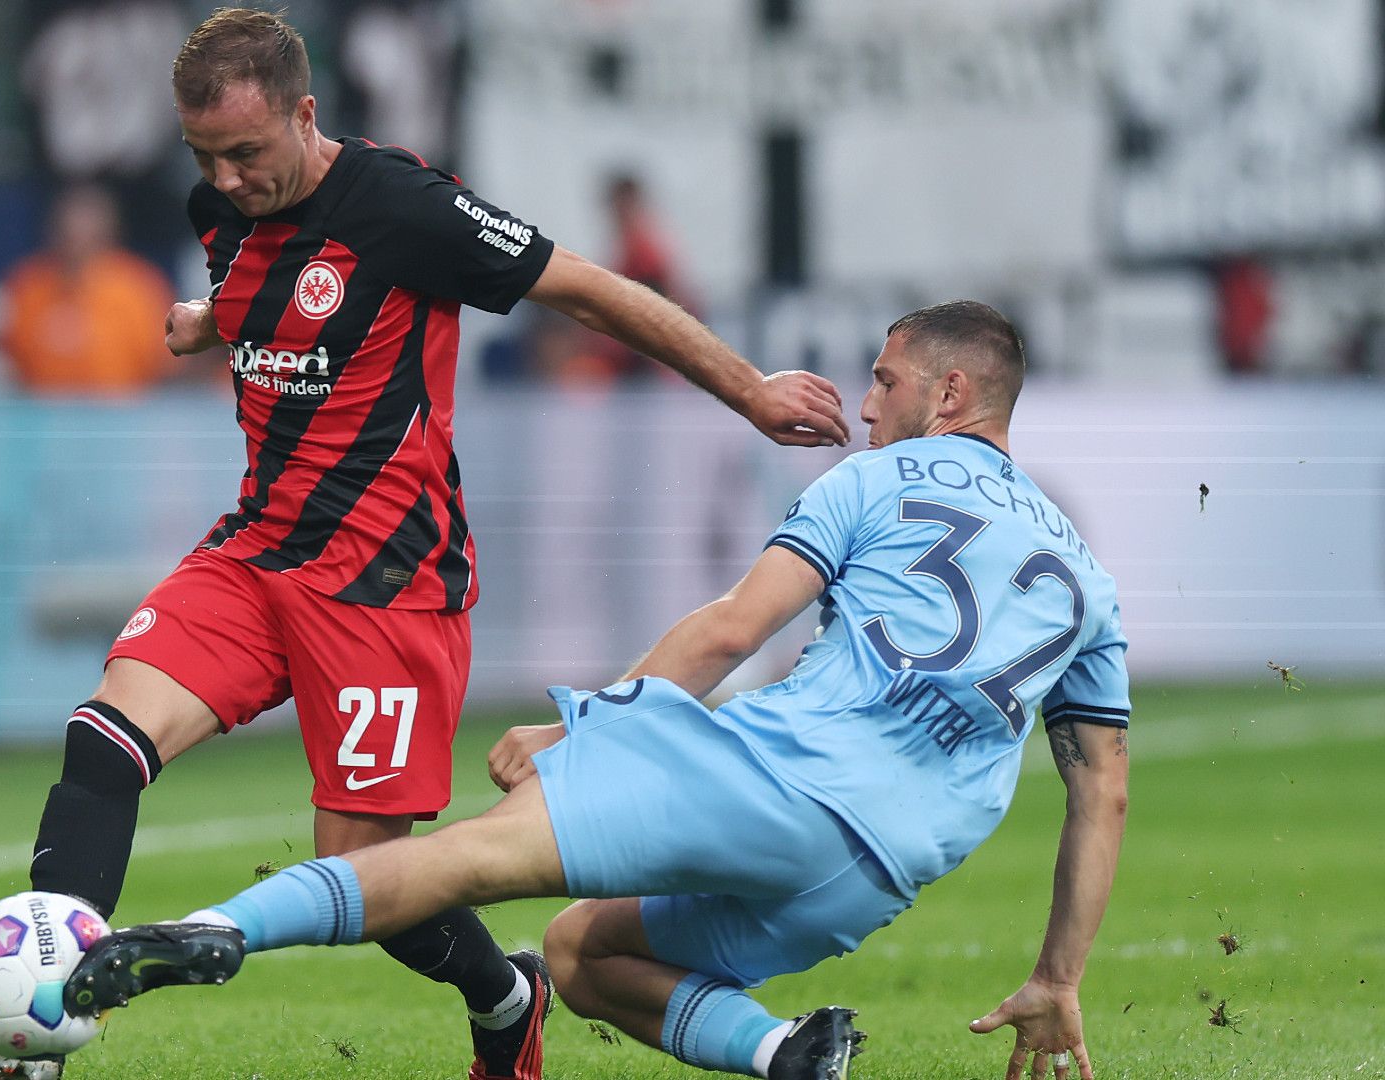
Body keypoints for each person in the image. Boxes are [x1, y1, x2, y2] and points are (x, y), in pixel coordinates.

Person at [0, 9, 848, 1080]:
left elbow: (590, 289)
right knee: (103, 745)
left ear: (306, 114)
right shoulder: (222, 206)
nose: (228, 177)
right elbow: (277, 288)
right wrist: (218, 318)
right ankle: (42, 1026)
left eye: (248, 152)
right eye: (205, 155)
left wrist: (749, 389)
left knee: (370, 880)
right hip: (254, 555)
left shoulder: (402, 205)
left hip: (387, 585)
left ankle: (505, 995)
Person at [59, 302, 1131, 1080]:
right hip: (878, 871)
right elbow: (1102, 792)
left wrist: (587, 734)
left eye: (885, 380)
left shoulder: (875, 476)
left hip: (776, 779)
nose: (865, 402)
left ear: (950, 393)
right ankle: (787, 1055)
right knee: (581, 951)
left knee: (457, 858)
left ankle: (219, 929)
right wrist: (1057, 976)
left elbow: (729, 631)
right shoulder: (1087, 574)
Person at [0, 184, 177, 396]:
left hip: (123, 414)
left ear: (108, 234)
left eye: (87, 234)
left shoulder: (139, 287)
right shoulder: (27, 286)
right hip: (42, 414)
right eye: (68, 233)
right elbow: (9, 361)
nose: (77, 243)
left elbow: (164, 364)